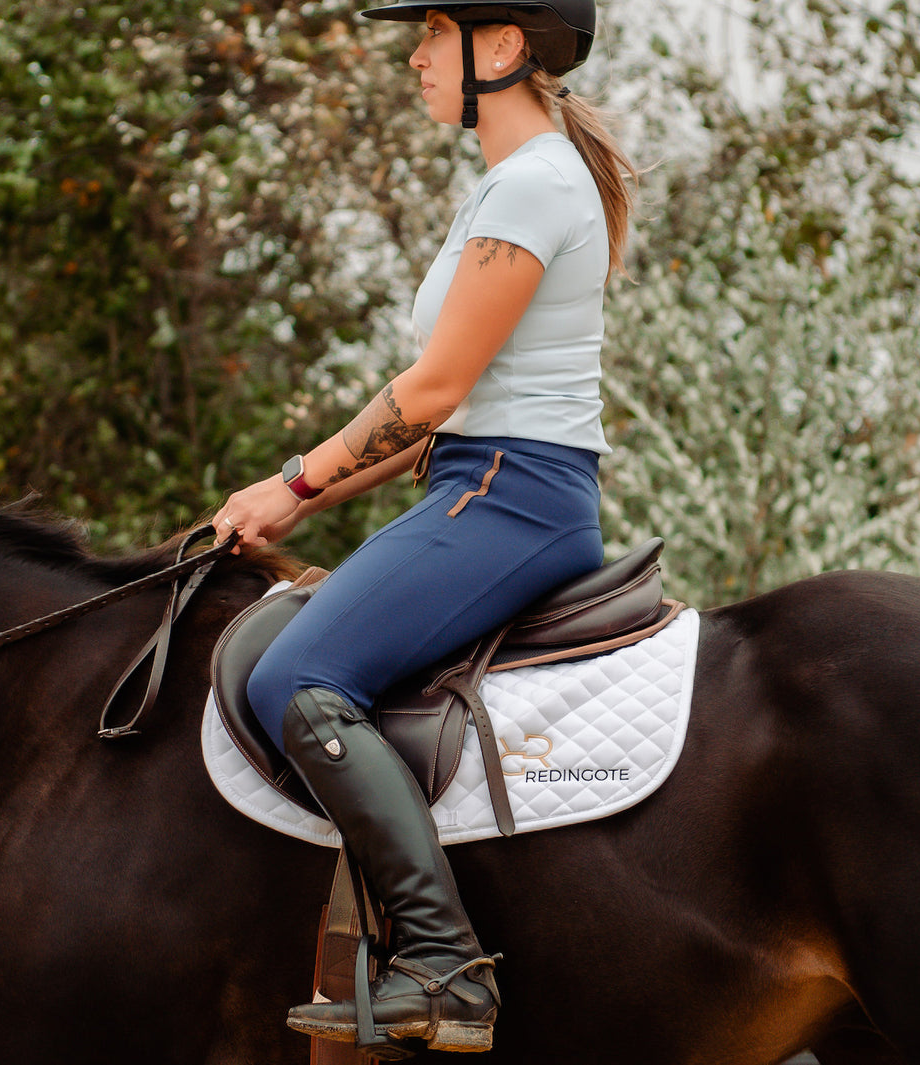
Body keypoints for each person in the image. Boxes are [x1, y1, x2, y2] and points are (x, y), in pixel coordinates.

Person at [211, 0, 636, 1052]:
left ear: (500, 47)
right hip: (475, 480)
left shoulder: (534, 181)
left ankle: (445, 967)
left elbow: (435, 389)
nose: (412, 54)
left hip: (511, 496)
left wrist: (295, 484)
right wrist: (290, 491)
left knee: (292, 682)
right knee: (275, 641)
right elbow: (437, 414)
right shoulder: (507, 185)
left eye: (432, 31)